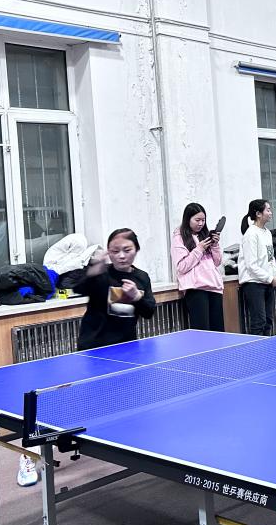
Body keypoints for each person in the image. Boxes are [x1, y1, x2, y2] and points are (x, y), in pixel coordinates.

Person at [16, 227, 157, 488]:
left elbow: (149, 311)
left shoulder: (141, 277)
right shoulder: (102, 274)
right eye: (115, 251)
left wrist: (137, 296)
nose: (121, 255)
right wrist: (93, 270)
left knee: (123, 403)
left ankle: (125, 447)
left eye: (127, 250)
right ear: (108, 252)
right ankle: (31, 453)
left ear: (136, 250)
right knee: (76, 404)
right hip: (94, 349)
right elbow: (76, 286)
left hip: (125, 352)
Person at [171, 202, 224, 332]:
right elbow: (182, 266)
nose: (200, 223)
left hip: (214, 287)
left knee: (218, 331)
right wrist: (199, 249)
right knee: (202, 332)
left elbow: (217, 262)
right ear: (187, 219)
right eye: (197, 220)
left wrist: (215, 245)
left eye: (203, 220)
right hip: (196, 290)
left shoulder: (205, 235)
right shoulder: (179, 238)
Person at [239, 199, 276, 336]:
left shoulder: (267, 233)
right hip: (254, 284)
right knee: (259, 322)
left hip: (267, 282)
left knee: (268, 321)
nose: (271, 213)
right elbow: (251, 266)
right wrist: (271, 279)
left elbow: (271, 259)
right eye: (268, 210)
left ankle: (266, 347)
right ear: (258, 214)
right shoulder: (251, 234)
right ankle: (257, 349)